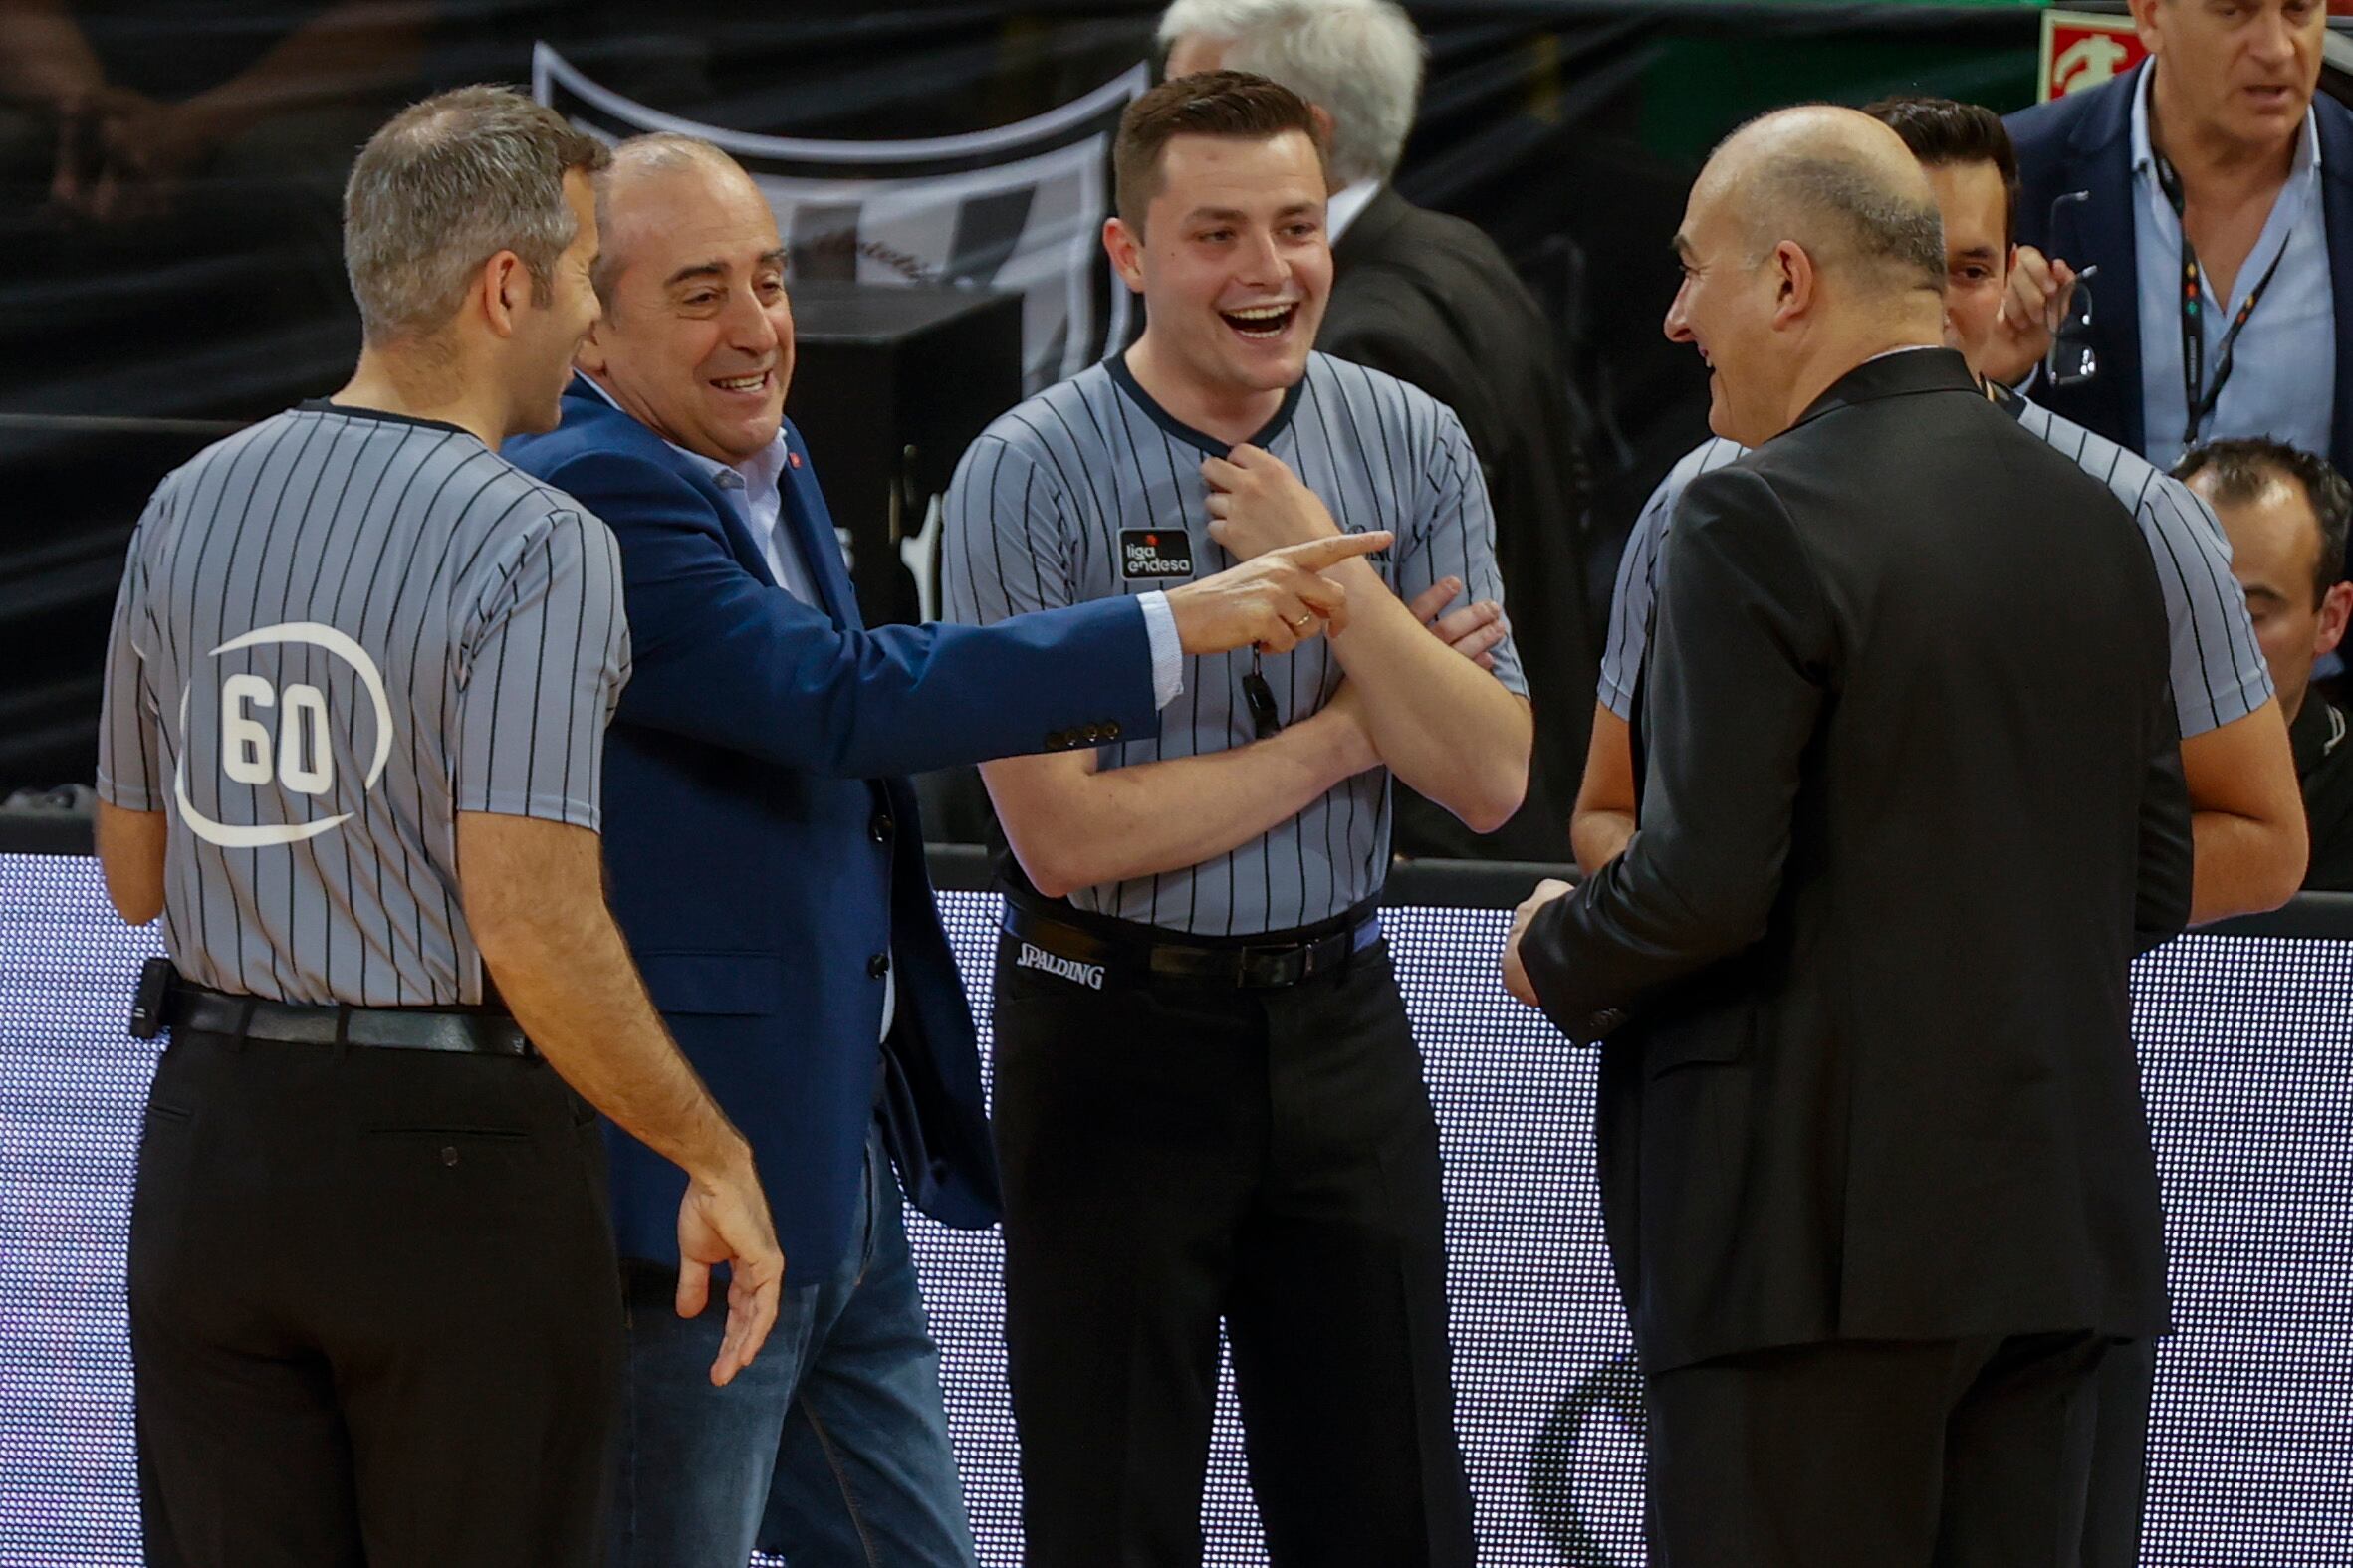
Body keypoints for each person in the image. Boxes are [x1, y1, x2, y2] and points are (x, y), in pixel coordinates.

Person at [500, 132, 1387, 1568]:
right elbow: (843, 698)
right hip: (689, 1185)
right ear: (589, 323)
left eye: (772, 283)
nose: (757, 329)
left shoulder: (760, 460)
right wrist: (1177, 622)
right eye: (703, 293)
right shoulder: (595, 488)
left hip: (828, 1150)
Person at [91, 87, 782, 1568]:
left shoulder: (184, 503)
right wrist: (708, 1152)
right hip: (450, 1173)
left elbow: (135, 878)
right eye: (591, 273)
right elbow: (533, 922)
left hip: (211, 1144)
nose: (595, 318)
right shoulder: (541, 539)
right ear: (507, 287)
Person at [1503, 106, 2194, 1564]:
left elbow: (1696, 889)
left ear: (1789, 280)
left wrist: (1551, 946)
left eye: (1694, 272)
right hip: (2060, 1248)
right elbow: (2149, 877)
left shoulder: (1743, 518)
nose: (1677, 315)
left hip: (1805, 1270)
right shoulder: (2103, 520)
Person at [942, 71, 1529, 1568]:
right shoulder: (1023, 476)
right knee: (1110, 1511)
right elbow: (1064, 835)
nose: (1269, 272)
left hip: (1339, 1025)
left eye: (1294, 225)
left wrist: (1322, 585)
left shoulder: (1411, 439)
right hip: (1106, 1040)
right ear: (1128, 252)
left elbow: (1484, 774)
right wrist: (1353, 726)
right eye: (1215, 233)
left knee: (1390, 1508)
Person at [1577, 97, 2302, 921]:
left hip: (2031, 1039)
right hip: (1762, 1044)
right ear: (1818, 266)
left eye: (1968, 270)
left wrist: (1966, 928)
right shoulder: (1690, 503)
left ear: (2012, 274)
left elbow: (2263, 839)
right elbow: (1610, 810)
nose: (1936, 305)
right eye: (1906, 263)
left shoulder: (2140, 515)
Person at [1157, 0, 1595, 862]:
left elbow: (1400, 658)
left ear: (1308, 132)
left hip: (1420, 857)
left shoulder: (1354, 346)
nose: (1158, 137)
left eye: (1196, 103)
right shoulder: (1458, 254)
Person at [2000, 0, 2353, 504]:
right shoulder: (2018, 178)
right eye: (2234, 12)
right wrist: (2002, 370)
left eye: (2298, 10)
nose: (2276, 49)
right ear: (2149, 16)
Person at [2180, 438, 2353, 889]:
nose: (2207, 642)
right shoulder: (2082, 778)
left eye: (2250, 617)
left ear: (2330, 620)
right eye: (2184, 604)